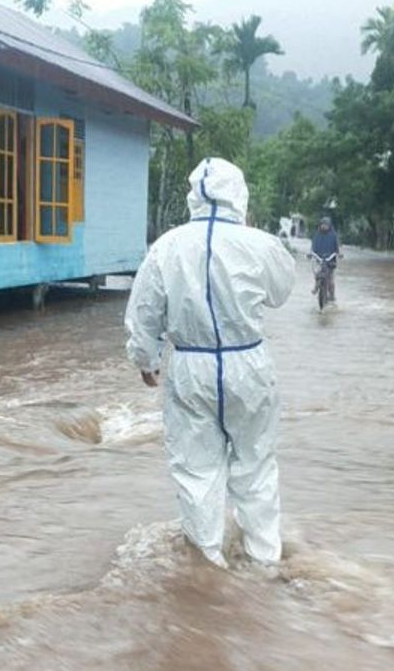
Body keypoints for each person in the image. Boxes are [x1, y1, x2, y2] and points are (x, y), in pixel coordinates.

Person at [125, 158, 296, 568]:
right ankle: (263, 561)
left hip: (190, 365)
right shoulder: (260, 243)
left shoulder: (167, 246)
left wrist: (145, 359)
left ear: (192, 197)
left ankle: (207, 569)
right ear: (239, 193)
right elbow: (281, 292)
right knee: (255, 465)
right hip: (248, 362)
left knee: (196, 470)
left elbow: (144, 309)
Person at [310, 218, 342, 302]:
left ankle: (332, 295)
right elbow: (313, 246)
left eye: (326, 225)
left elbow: (337, 246)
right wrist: (311, 253)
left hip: (330, 259)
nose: (324, 226)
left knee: (331, 279)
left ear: (329, 226)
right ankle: (316, 287)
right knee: (317, 273)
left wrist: (339, 253)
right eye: (323, 224)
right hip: (319, 259)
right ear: (320, 225)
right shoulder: (317, 235)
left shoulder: (333, 235)